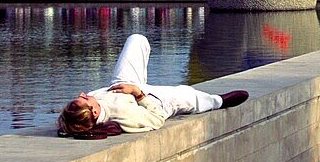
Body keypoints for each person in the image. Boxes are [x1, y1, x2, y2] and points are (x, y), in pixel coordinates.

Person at [57, 34, 248, 139]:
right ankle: (219, 101)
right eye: (85, 98)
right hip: (149, 99)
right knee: (186, 95)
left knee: (137, 40)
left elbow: (65, 125)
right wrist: (139, 93)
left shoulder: (82, 114)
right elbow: (156, 120)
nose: (84, 94)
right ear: (95, 112)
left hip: (121, 84)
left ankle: (138, 77)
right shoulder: (125, 116)